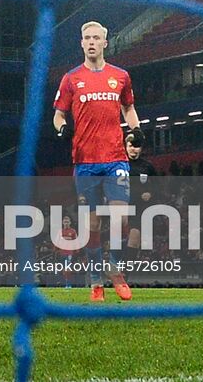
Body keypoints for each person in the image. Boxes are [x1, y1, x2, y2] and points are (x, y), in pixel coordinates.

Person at [52, 21, 139, 302]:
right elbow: (59, 114)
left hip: (115, 157)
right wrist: (61, 128)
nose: (91, 42)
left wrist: (135, 129)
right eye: (86, 37)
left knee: (120, 216)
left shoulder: (121, 76)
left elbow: (128, 108)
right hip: (84, 161)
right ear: (81, 43)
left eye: (96, 38)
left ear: (105, 42)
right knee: (92, 225)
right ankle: (95, 281)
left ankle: (115, 269)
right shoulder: (71, 78)